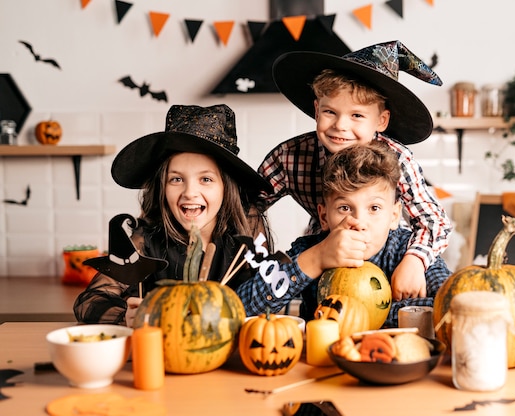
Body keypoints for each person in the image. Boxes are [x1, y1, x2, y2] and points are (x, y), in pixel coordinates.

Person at [256, 40, 452, 303]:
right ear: (316, 110)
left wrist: (415, 260)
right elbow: (246, 205)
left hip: (389, 251)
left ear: (381, 121)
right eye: (330, 112)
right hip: (325, 246)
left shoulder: (398, 158)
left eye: (357, 116)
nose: (341, 126)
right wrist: (256, 251)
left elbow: (434, 220)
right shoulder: (289, 157)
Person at [73, 104, 273, 327]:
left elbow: (267, 296)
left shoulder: (248, 226)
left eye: (205, 179)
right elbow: (90, 301)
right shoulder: (146, 239)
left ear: (226, 187)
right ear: (162, 187)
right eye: (176, 179)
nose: (189, 192)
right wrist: (124, 316)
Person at [242, 141, 451, 327]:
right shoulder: (308, 250)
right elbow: (243, 309)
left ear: (394, 215)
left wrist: (369, 315)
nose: (359, 223)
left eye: (374, 208)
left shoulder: (407, 252)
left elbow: (453, 302)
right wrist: (316, 260)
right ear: (323, 217)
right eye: (344, 208)